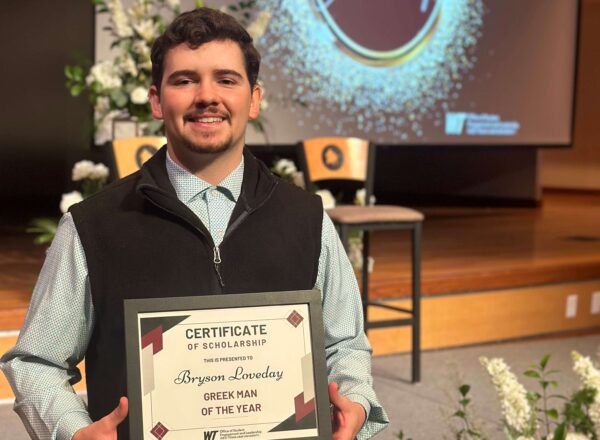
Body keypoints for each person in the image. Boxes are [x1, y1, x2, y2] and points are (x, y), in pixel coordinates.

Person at [1, 7, 389, 440]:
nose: (207, 96)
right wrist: (72, 431)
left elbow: (345, 344)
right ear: (155, 100)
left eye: (226, 79)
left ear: (254, 99)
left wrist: (354, 399)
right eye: (184, 80)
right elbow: (36, 362)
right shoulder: (93, 226)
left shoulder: (308, 219)